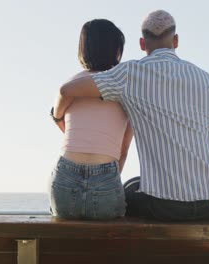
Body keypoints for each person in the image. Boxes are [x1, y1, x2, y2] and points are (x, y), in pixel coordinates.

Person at [54, 10, 209, 221]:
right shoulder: (208, 81)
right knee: (134, 184)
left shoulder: (129, 74)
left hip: (164, 206)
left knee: (127, 191)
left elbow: (67, 90)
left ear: (142, 44)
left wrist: (58, 118)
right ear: (176, 40)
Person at [49, 19, 133, 220]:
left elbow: (62, 123)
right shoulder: (124, 89)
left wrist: (56, 116)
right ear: (116, 50)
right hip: (105, 176)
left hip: (64, 177)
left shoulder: (72, 85)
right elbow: (123, 150)